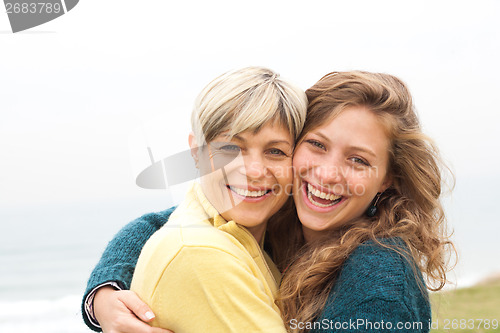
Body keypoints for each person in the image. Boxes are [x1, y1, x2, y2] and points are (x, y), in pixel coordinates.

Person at [82, 71, 453, 333]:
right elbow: (162, 226)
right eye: (317, 145)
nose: (326, 175)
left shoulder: (378, 279)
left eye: (358, 160)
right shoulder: (279, 217)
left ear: (388, 179)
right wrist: (103, 294)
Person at [81, 66, 307, 332]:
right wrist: (105, 288)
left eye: (276, 151)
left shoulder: (260, 227)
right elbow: (173, 238)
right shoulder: (200, 252)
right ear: (195, 152)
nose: (254, 171)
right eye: (230, 148)